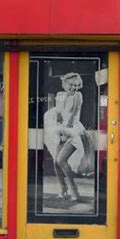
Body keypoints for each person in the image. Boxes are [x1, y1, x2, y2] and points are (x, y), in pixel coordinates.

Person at [43, 72, 87, 202]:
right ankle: (63, 188)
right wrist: (59, 131)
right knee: (56, 162)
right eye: (71, 85)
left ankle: (74, 189)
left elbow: (72, 116)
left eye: (76, 85)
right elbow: (59, 114)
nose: (74, 88)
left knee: (61, 160)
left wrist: (64, 132)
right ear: (65, 84)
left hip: (73, 131)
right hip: (61, 128)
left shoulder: (78, 95)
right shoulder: (60, 95)